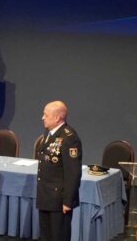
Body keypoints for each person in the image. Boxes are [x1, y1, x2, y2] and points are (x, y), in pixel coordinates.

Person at [35, 101, 82, 241]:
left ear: (57, 118)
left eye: (45, 115)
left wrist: (68, 201)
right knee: (46, 236)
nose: (42, 117)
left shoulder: (69, 138)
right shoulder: (49, 133)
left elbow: (73, 173)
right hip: (45, 196)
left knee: (58, 236)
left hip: (58, 200)